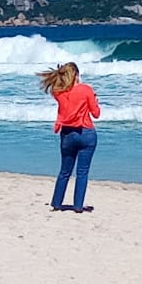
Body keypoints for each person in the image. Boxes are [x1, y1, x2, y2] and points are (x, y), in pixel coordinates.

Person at [38, 61, 101, 212]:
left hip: (67, 134)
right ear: (76, 75)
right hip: (86, 133)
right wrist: (95, 100)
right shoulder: (86, 89)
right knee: (82, 172)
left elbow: (67, 99)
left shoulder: (57, 92)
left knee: (64, 171)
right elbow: (96, 113)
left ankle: (56, 203)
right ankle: (78, 206)